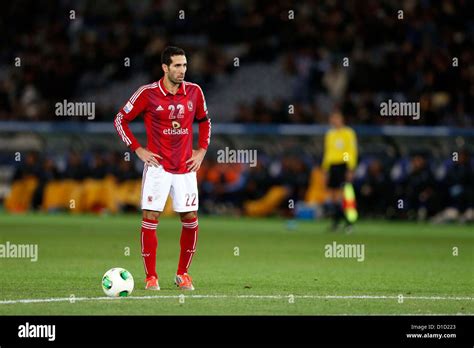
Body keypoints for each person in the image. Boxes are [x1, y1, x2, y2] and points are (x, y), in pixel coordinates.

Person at [114, 46, 211, 291]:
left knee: (190, 219)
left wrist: (201, 151)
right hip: (157, 167)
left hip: (186, 168)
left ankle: (183, 274)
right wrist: (138, 149)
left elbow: (205, 120)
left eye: (185, 65)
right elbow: (120, 120)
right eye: (177, 65)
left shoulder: (195, 92)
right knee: (150, 217)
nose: (182, 70)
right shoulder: (147, 93)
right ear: (165, 68)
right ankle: (151, 277)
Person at [322, 110, 358, 232]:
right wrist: (325, 169)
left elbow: (350, 150)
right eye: (332, 118)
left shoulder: (348, 133)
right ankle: (336, 222)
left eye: (337, 118)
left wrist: (349, 167)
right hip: (332, 166)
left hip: (343, 165)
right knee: (333, 197)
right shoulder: (330, 134)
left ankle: (349, 222)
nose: (334, 121)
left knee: (345, 195)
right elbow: (328, 152)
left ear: (342, 120)